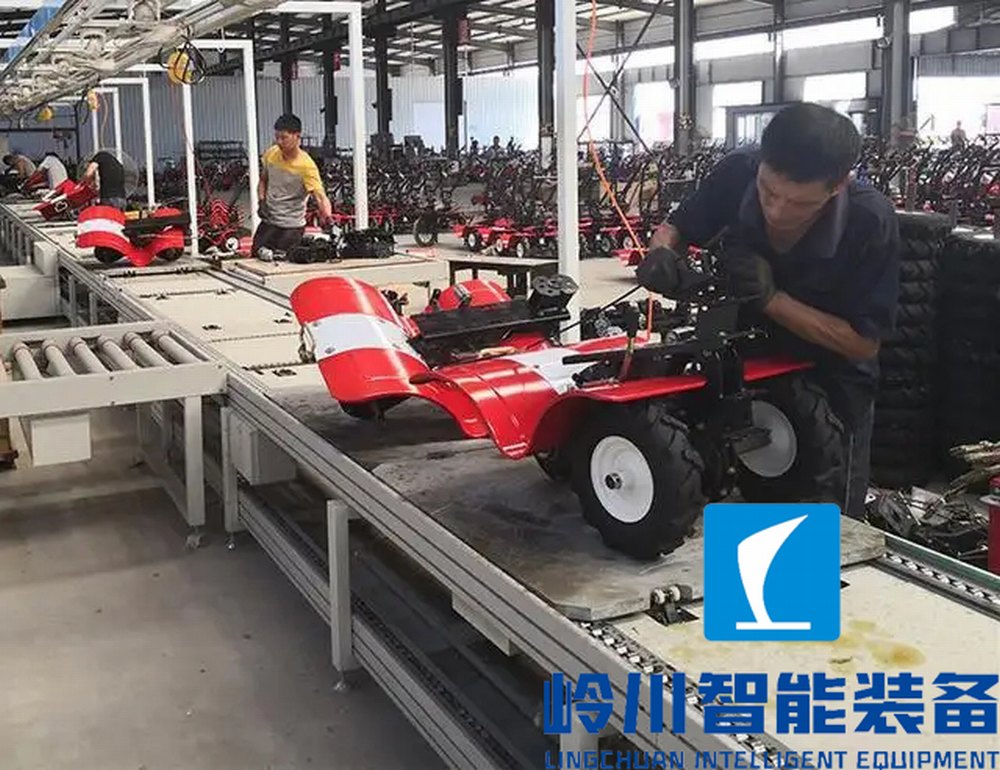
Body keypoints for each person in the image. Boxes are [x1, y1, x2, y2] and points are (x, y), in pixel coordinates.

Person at [642, 101, 900, 519]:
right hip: (747, 365)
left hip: (831, 382)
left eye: (798, 203)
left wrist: (772, 300)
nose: (776, 211)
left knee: (823, 529)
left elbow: (862, 343)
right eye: (768, 192)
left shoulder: (869, 221)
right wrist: (661, 254)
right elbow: (676, 228)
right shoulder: (738, 172)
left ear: (838, 185)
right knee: (743, 509)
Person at [253, 113, 332, 257]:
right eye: (277, 137)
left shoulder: (306, 166)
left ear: (297, 136)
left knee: (283, 264)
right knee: (255, 258)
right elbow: (263, 180)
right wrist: (261, 201)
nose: (279, 142)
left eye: (284, 138)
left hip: (291, 229)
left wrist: (327, 218)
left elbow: (320, 197)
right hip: (268, 223)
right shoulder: (271, 154)